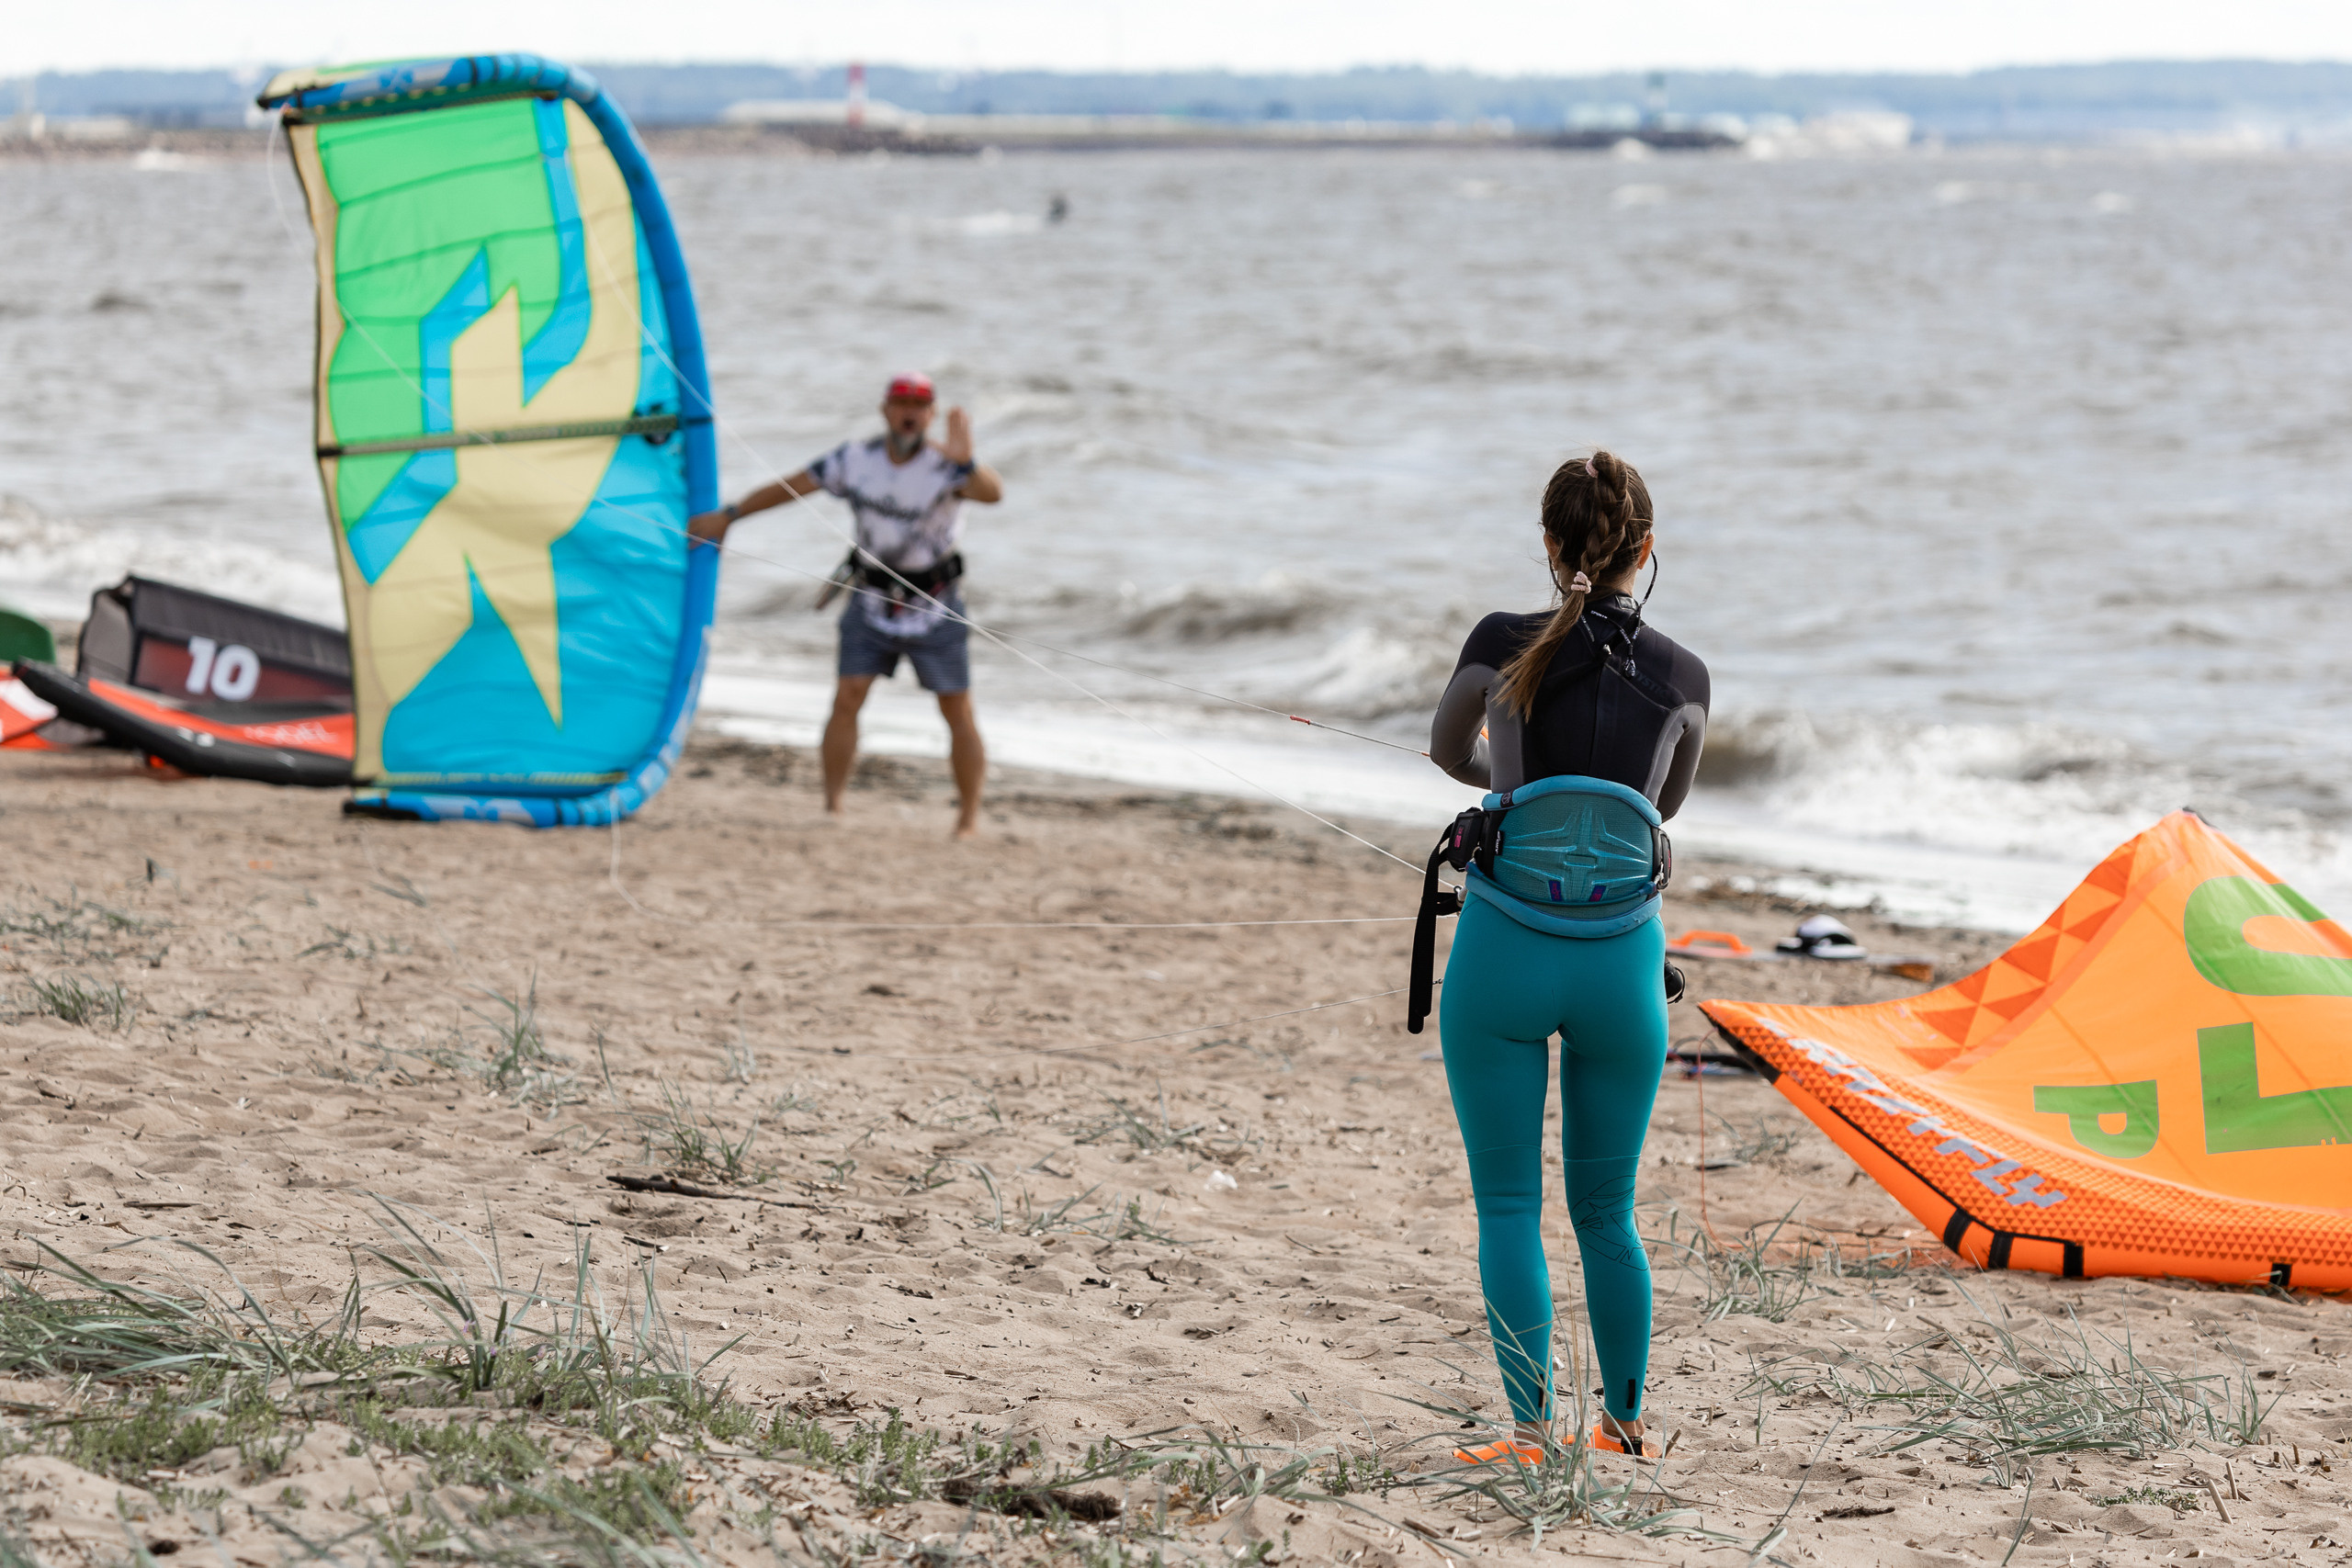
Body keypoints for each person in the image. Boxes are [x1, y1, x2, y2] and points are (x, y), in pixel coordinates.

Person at [1424, 450, 1709, 1464]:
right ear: (1645, 549)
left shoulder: (1499, 642)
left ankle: (1529, 1433)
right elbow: (1660, 807)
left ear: (1548, 544)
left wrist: (1504, 775)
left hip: (1503, 955)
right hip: (1619, 973)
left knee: (1508, 1205)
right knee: (1606, 1211)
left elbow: (1444, 752)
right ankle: (1625, 1428)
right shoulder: (1685, 676)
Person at [690, 375, 1004, 838]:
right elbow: (795, 485)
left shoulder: (948, 467)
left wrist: (970, 462)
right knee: (847, 697)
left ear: (932, 415)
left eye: (920, 405)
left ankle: (968, 820)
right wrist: (730, 516)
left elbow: (992, 493)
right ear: (886, 410)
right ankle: (832, 808)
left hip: (935, 603)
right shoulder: (857, 460)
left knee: (956, 708)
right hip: (870, 598)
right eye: (901, 403)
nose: (910, 412)